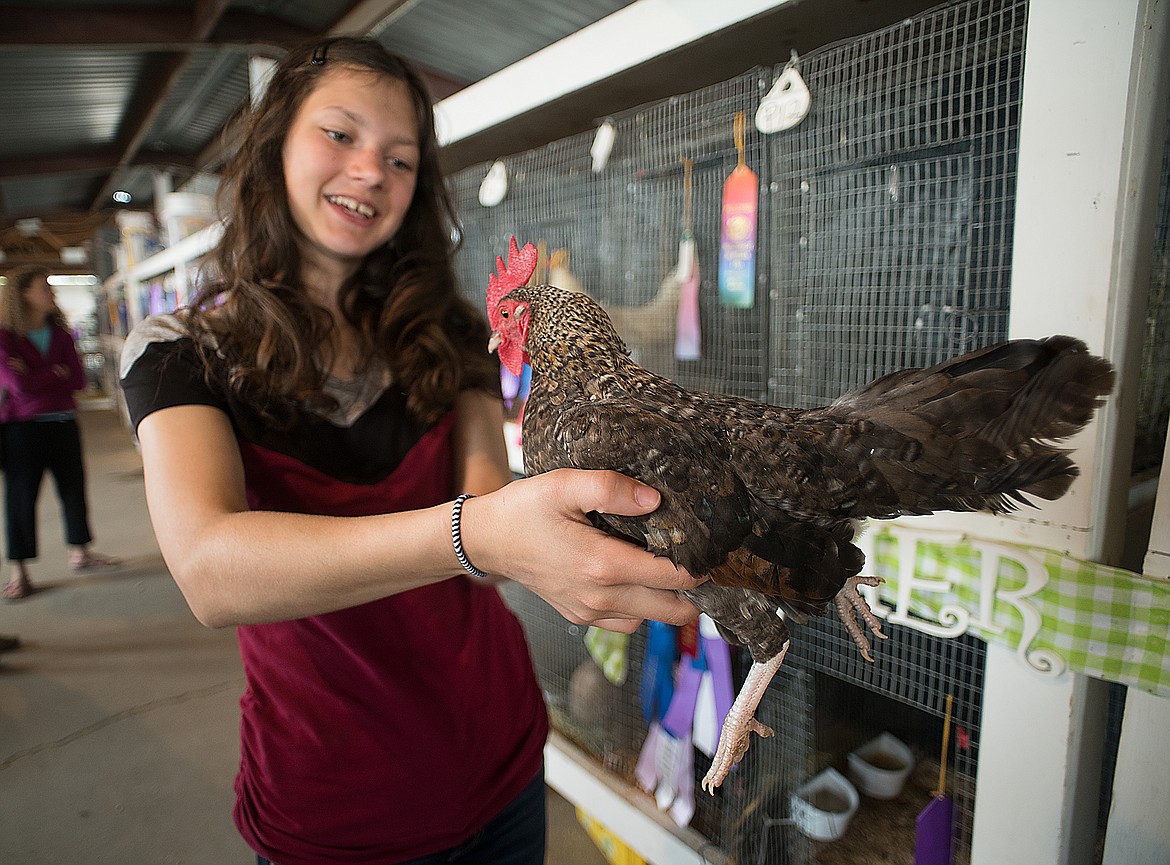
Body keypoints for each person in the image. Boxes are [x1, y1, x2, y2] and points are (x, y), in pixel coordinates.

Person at [119, 37, 699, 865]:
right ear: (275, 141)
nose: (371, 172)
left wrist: (574, 515)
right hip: (338, 796)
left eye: (400, 158)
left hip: (497, 749)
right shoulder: (180, 351)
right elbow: (210, 570)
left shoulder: (449, 332)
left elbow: (495, 522)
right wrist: (482, 532)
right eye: (342, 135)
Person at [0, 266, 120, 601]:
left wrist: (40, 373)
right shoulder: (4, 337)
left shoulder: (62, 334)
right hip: (21, 429)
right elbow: (18, 388)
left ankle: (80, 552)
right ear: (24, 294)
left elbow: (79, 380)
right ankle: (19, 571)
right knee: (20, 498)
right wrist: (55, 372)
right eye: (44, 288)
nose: (52, 294)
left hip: (63, 421)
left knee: (73, 489)